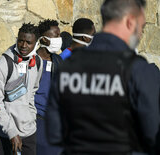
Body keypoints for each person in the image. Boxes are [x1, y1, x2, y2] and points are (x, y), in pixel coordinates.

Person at [46, 0, 160, 155]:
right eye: (142, 26)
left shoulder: (67, 66)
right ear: (129, 22)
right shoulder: (140, 71)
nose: (141, 33)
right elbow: (153, 135)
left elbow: (54, 133)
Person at [0, 23, 43, 155]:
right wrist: (11, 131)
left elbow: (32, 92)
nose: (23, 46)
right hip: (6, 135)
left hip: (29, 132)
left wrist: (31, 116)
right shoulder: (1, 65)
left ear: (36, 43)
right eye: (20, 41)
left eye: (28, 42)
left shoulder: (38, 62)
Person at [35, 19, 63, 155]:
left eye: (60, 35)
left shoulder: (58, 60)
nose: (59, 39)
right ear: (45, 40)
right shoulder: (32, 61)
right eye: (56, 35)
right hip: (36, 119)